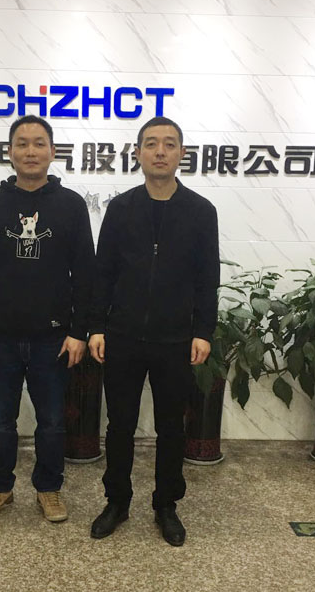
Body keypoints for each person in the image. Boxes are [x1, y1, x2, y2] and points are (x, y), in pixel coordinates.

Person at [88, 116, 220, 546]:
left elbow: (207, 278)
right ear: (138, 153)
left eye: (169, 144)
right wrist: (96, 326)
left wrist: (203, 331)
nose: (160, 151)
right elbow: (103, 273)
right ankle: (117, 501)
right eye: (151, 143)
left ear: (182, 153)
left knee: (171, 428)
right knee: (119, 425)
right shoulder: (121, 209)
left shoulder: (201, 211)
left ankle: (166, 505)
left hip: (176, 339)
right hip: (123, 335)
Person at [0, 115, 95, 523]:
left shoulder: (71, 205)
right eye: (22, 143)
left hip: (52, 338)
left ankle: (49, 489)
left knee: (52, 423)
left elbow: (85, 274)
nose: (31, 151)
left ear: (52, 152)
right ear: (9, 152)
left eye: (39, 143)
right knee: (0, 422)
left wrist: (79, 332)